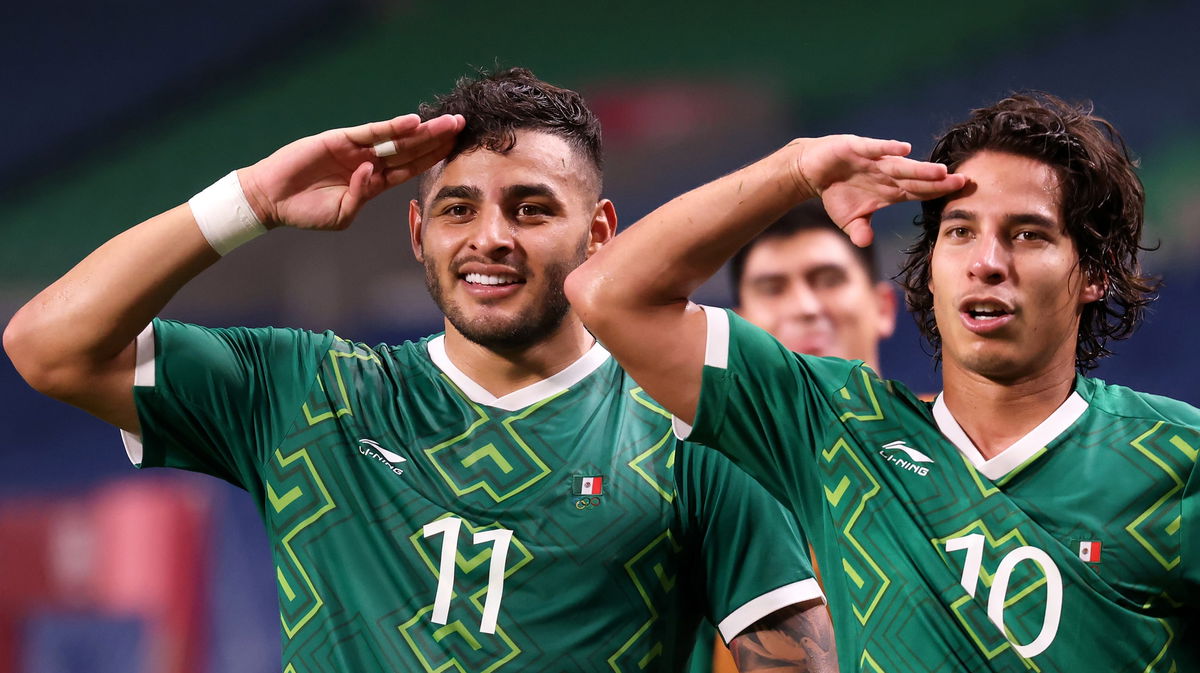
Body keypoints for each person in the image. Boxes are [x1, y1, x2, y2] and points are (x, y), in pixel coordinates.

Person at [3, 68, 835, 672]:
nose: (491, 237)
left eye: (532, 207)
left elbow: (795, 659)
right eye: (458, 207)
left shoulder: (693, 428)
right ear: (417, 233)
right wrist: (249, 199)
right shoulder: (307, 393)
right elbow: (48, 345)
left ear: (601, 231)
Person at [567, 92, 1199, 671]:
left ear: (1094, 272)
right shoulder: (836, 427)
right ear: (928, 271)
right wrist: (794, 171)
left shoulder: (1179, 458)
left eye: (1028, 235)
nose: (987, 262)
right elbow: (609, 291)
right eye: (959, 231)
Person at [700, 203, 898, 672]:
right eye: (773, 288)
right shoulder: (701, 478)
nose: (805, 307)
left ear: (883, 307)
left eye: (828, 279)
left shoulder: (955, 445)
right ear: (740, 324)